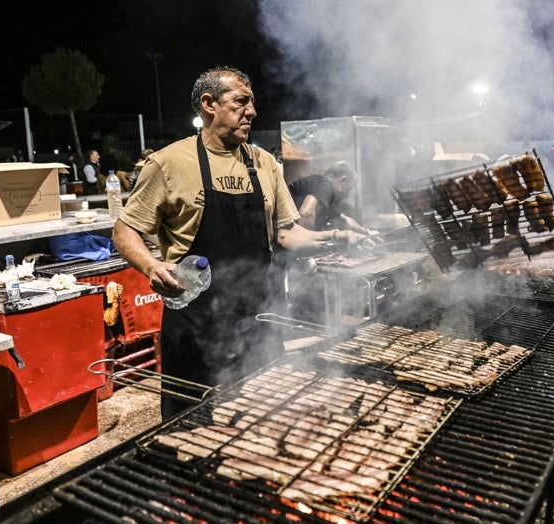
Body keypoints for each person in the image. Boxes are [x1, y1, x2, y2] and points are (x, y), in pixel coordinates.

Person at [112, 66, 369, 420]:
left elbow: (286, 233)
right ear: (209, 104)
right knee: (191, 426)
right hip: (196, 323)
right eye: (241, 101)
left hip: (258, 319)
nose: (252, 111)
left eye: (252, 103)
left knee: (263, 418)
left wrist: (338, 238)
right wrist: (152, 266)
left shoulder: (264, 163)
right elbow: (124, 230)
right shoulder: (168, 163)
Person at [287, 161, 375, 234]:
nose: (347, 196)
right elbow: (306, 214)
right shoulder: (325, 184)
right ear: (343, 181)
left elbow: (345, 221)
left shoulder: (324, 198)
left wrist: (367, 233)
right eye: (348, 189)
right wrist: (308, 247)